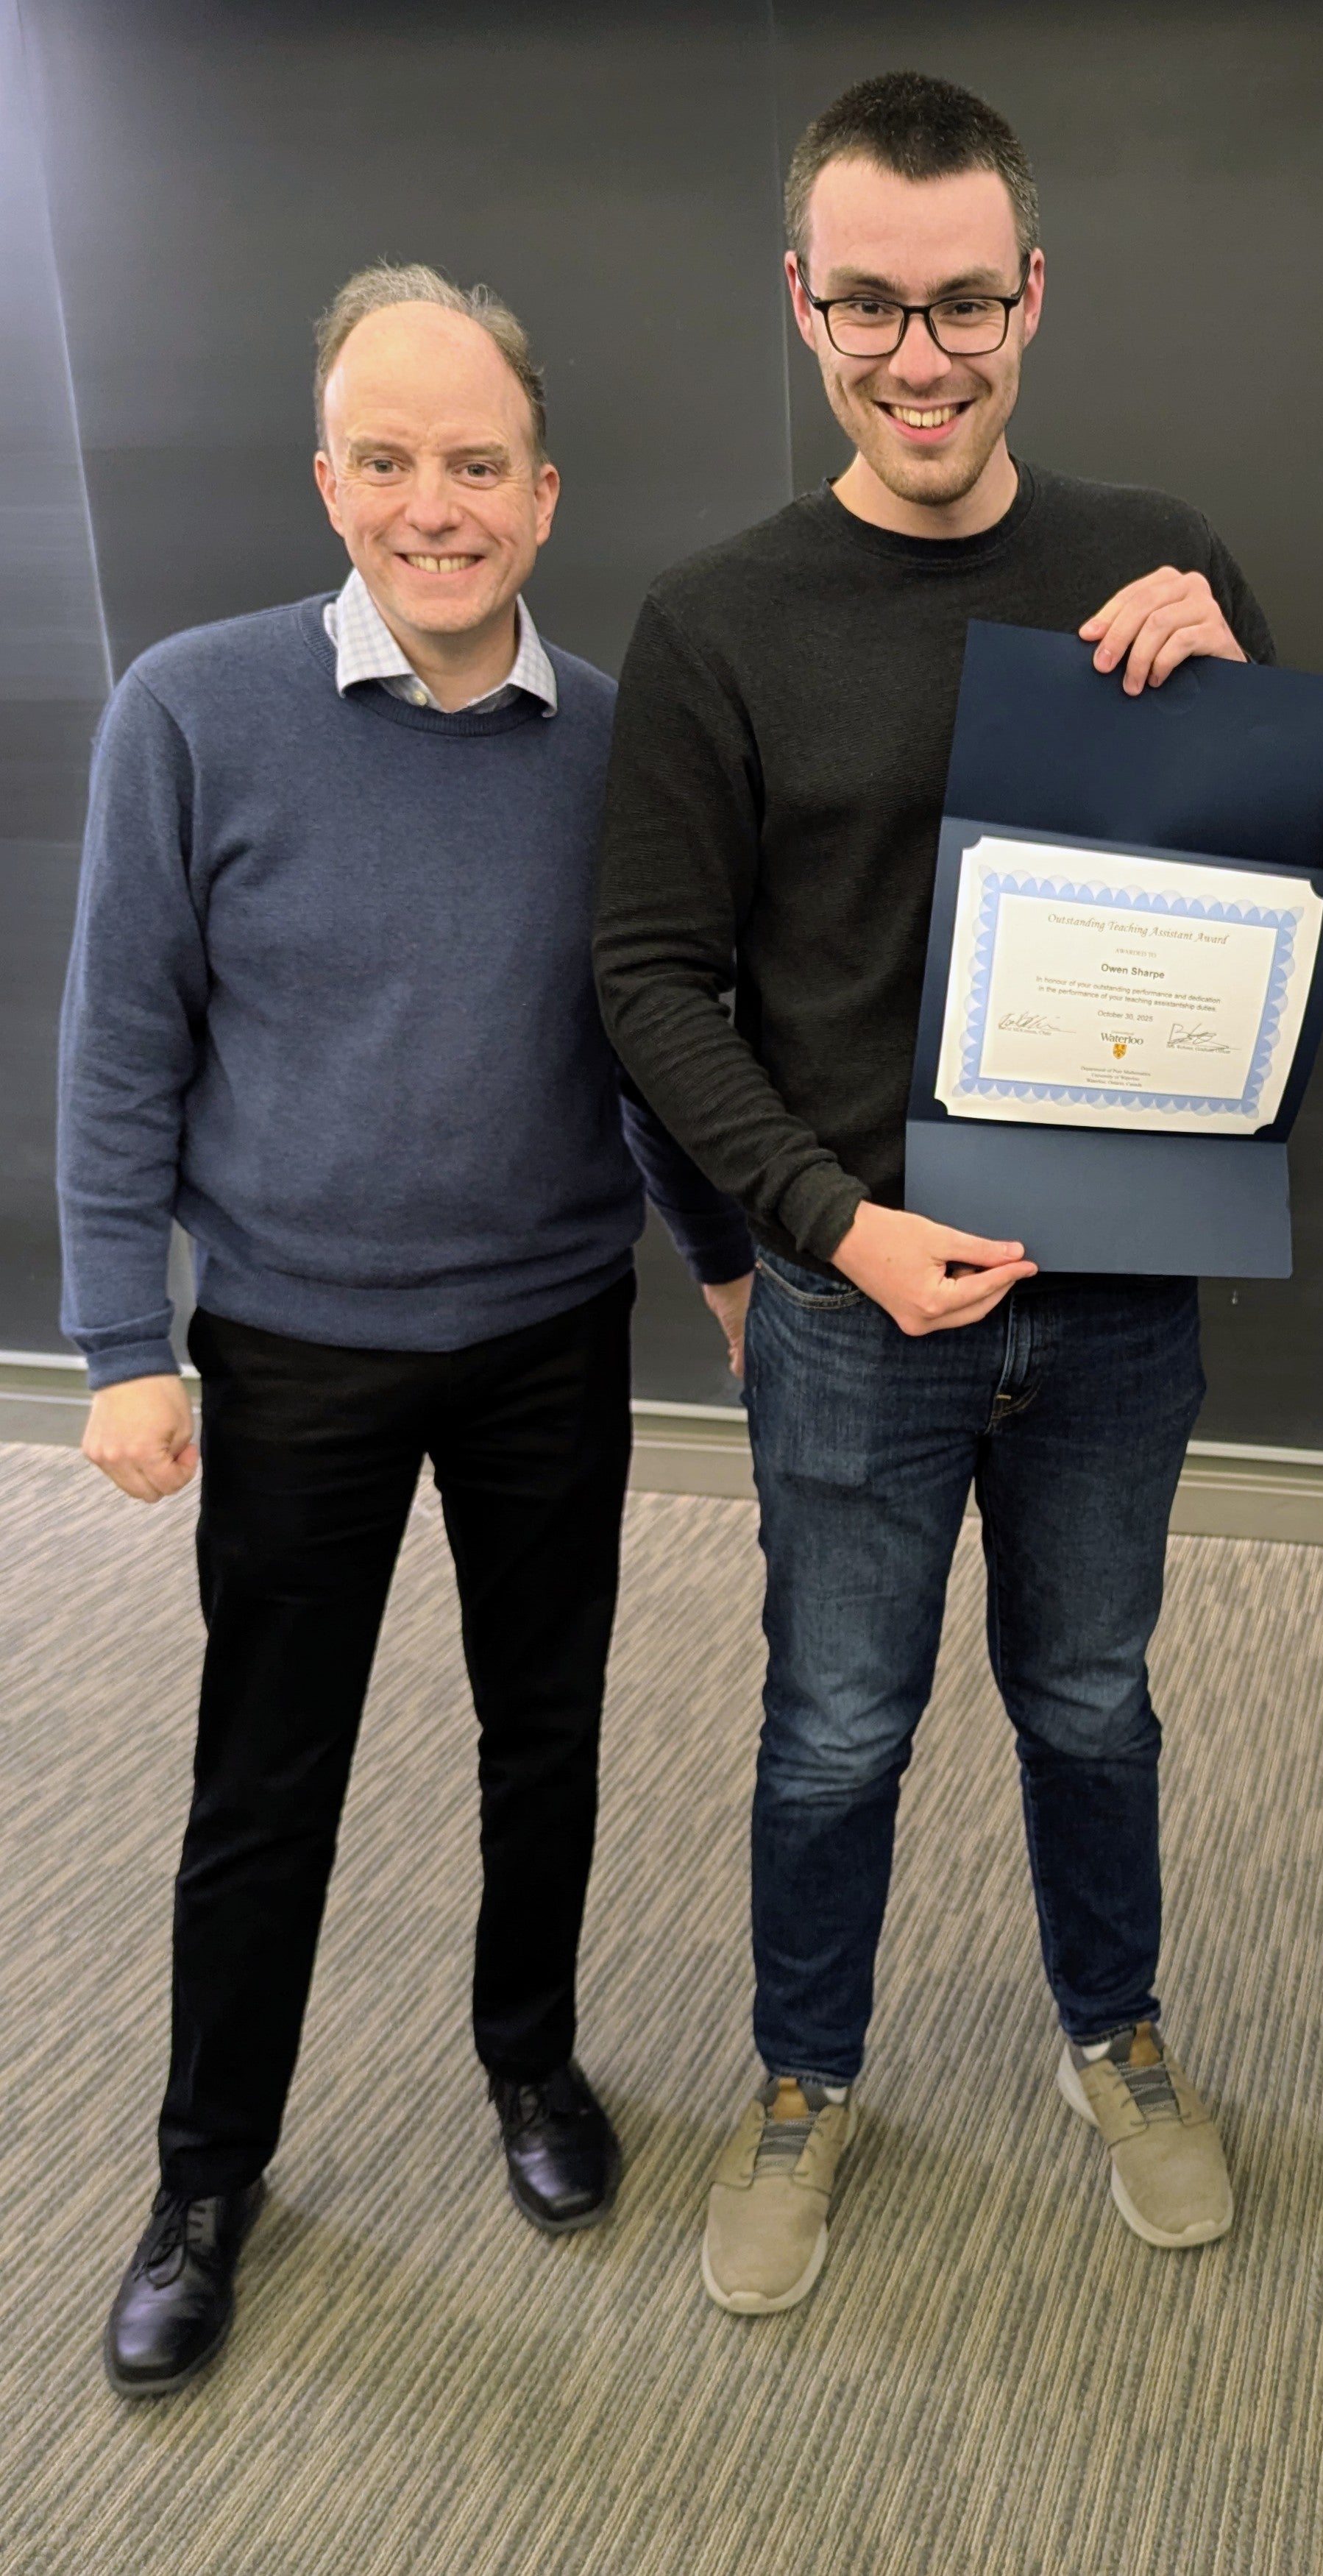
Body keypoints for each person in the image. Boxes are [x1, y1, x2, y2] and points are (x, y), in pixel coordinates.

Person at [597, 71, 1269, 2314]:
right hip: (849, 1306)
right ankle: (804, 2080)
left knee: (1090, 1695)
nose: (920, 352)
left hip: (1109, 1309)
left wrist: (1233, 712)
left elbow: (1256, 913)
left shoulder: (1157, 563)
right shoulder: (716, 620)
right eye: (869, 305)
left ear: (1030, 297)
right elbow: (650, 980)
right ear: (802, 306)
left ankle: (1116, 2031)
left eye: (963, 301)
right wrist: (823, 1223)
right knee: (835, 1722)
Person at [60, 263, 753, 2398]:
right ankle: (205, 2177)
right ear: (327, 477)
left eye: (474, 466)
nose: (430, 504)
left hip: (549, 1329)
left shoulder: (622, 739)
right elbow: (118, 1054)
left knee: (545, 1732)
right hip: (293, 1349)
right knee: (263, 1783)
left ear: (541, 499)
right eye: (387, 460)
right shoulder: (190, 707)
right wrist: (121, 1346)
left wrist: (727, 1267)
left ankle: (530, 2066)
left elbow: (657, 1041)